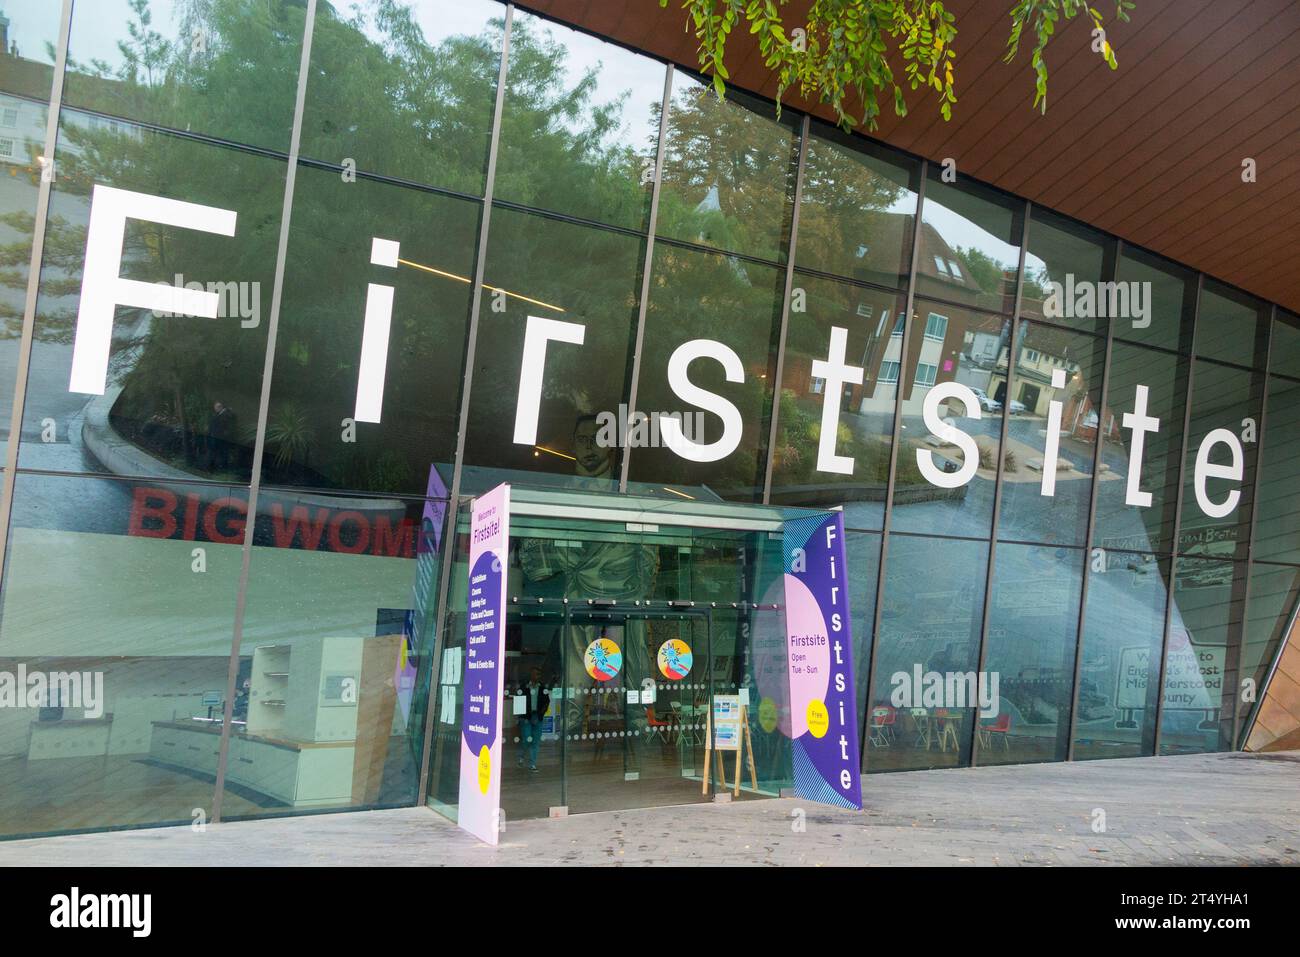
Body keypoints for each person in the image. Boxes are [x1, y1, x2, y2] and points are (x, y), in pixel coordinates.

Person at [515, 666, 550, 772]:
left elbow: (546, 702)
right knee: (526, 739)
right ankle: (521, 757)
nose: (537, 676)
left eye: (538, 674)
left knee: (535, 741)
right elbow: (518, 699)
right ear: (531, 675)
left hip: (537, 716)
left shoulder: (543, 688)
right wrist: (520, 716)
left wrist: (540, 714)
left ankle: (532, 764)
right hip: (526, 717)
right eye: (535, 674)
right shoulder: (524, 687)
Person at [207, 400, 236, 472]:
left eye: (216, 407)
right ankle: (218, 467)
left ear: (220, 407)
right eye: (215, 407)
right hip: (217, 437)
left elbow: (225, 427)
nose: (215, 409)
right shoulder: (219, 414)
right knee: (219, 453)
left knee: (222, 452)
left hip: (221, 438)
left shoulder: (226, 415)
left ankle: (221, 468)